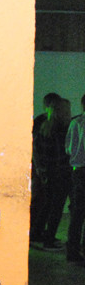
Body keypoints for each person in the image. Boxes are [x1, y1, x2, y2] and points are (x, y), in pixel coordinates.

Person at [31, 96, 71, 251]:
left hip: (48, 173)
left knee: (47, 205)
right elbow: (64, 154)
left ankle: (37, 234)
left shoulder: (44, 126)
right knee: (56, 208)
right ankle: (49, 239)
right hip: (61, 173)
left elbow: (38, 152)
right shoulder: (62, 129)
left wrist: (42, 170)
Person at [66, 93, 85, 264]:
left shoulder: (75, 122)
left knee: (77, 213)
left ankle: (72, 251)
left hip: (77, 171)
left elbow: (68, 148)